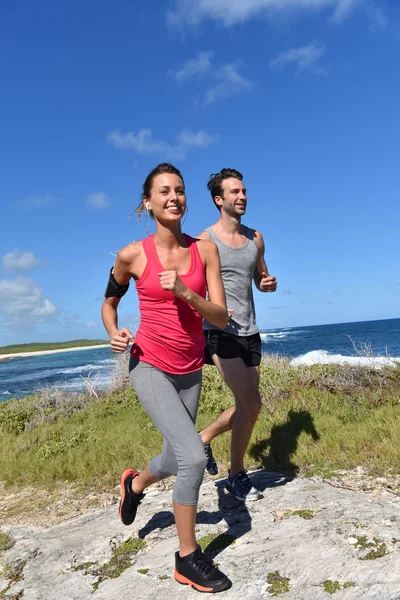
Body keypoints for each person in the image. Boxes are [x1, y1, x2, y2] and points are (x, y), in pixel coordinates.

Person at [101, 163, 232, 593]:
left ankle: (134, 484)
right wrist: (113, 332)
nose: (173, 197)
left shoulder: (205, 250)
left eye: (179, 190)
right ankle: (187, 558)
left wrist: (186, 293)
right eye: (163, 191)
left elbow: (222, 317)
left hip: (190, 368)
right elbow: (109, 301)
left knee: (176, 458)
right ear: (148, 202)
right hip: (149, 364)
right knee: (194, 457)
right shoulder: (132, 255)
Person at [198, 168, 278, 502]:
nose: (242, 196)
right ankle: (236, 473)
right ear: (219, 200)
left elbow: (261, 276)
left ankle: (203, 438)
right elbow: (194, 287)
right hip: (220, 332)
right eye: (234, 192)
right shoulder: (205, 240)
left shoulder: (255, 238)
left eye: (244, 191)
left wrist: (266, 284)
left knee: (247, 406)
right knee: (252, 402)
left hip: (250, 330)